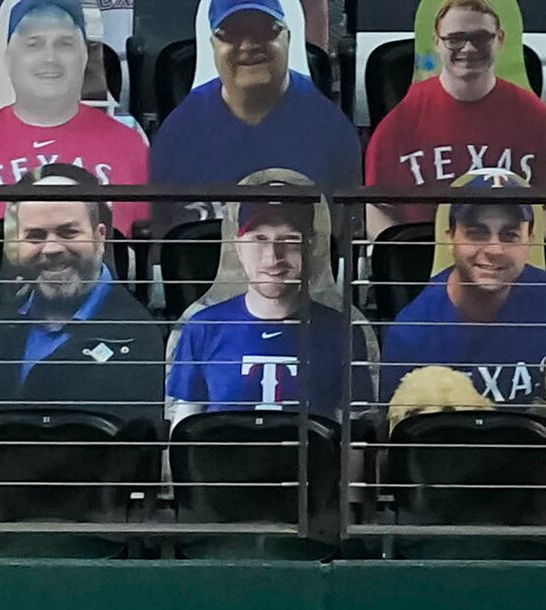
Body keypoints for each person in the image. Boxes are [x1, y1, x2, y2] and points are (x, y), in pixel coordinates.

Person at [0, 165, 165, 420]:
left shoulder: (138, 335)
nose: (51, 248)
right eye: (35, 236)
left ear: (100, 237)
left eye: (68, 232)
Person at [0, 0, 148, 242]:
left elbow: (141, 263)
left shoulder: (129, 143)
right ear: (8, 56)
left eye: (64, 44)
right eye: (33, 44)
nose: (49, 57)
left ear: (84, 56)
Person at [166, 184, 361, 420]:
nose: (272, 256)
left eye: (289, 239)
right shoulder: (203, 327)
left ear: (311, 246)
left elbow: (352, 438)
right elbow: (183, 429)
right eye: (259, 239)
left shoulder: (342, 332)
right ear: (238, 247)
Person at [147, 0, 360, 199]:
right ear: (213, 44)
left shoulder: (332, 131)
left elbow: (343, 229)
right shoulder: (177, 135)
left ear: (287, 37)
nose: (248, 45)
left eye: (264, 31)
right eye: (231, 34)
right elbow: (168, 230)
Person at [367, 0, 546, 232]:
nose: (468, 48)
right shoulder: (399, 124)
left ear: (499, 39)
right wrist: (401, 258)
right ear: (436, 43)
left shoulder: (536, 119)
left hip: (514, 261)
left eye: (481, 37)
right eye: (454, 39)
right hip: (423, 260)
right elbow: (375, 207)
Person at [382, 174, 546, 409]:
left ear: (530, 240)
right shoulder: (412, 333)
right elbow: (397, 434)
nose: (495, 249)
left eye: (510, 235)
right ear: (450, 237)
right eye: (477, 233)